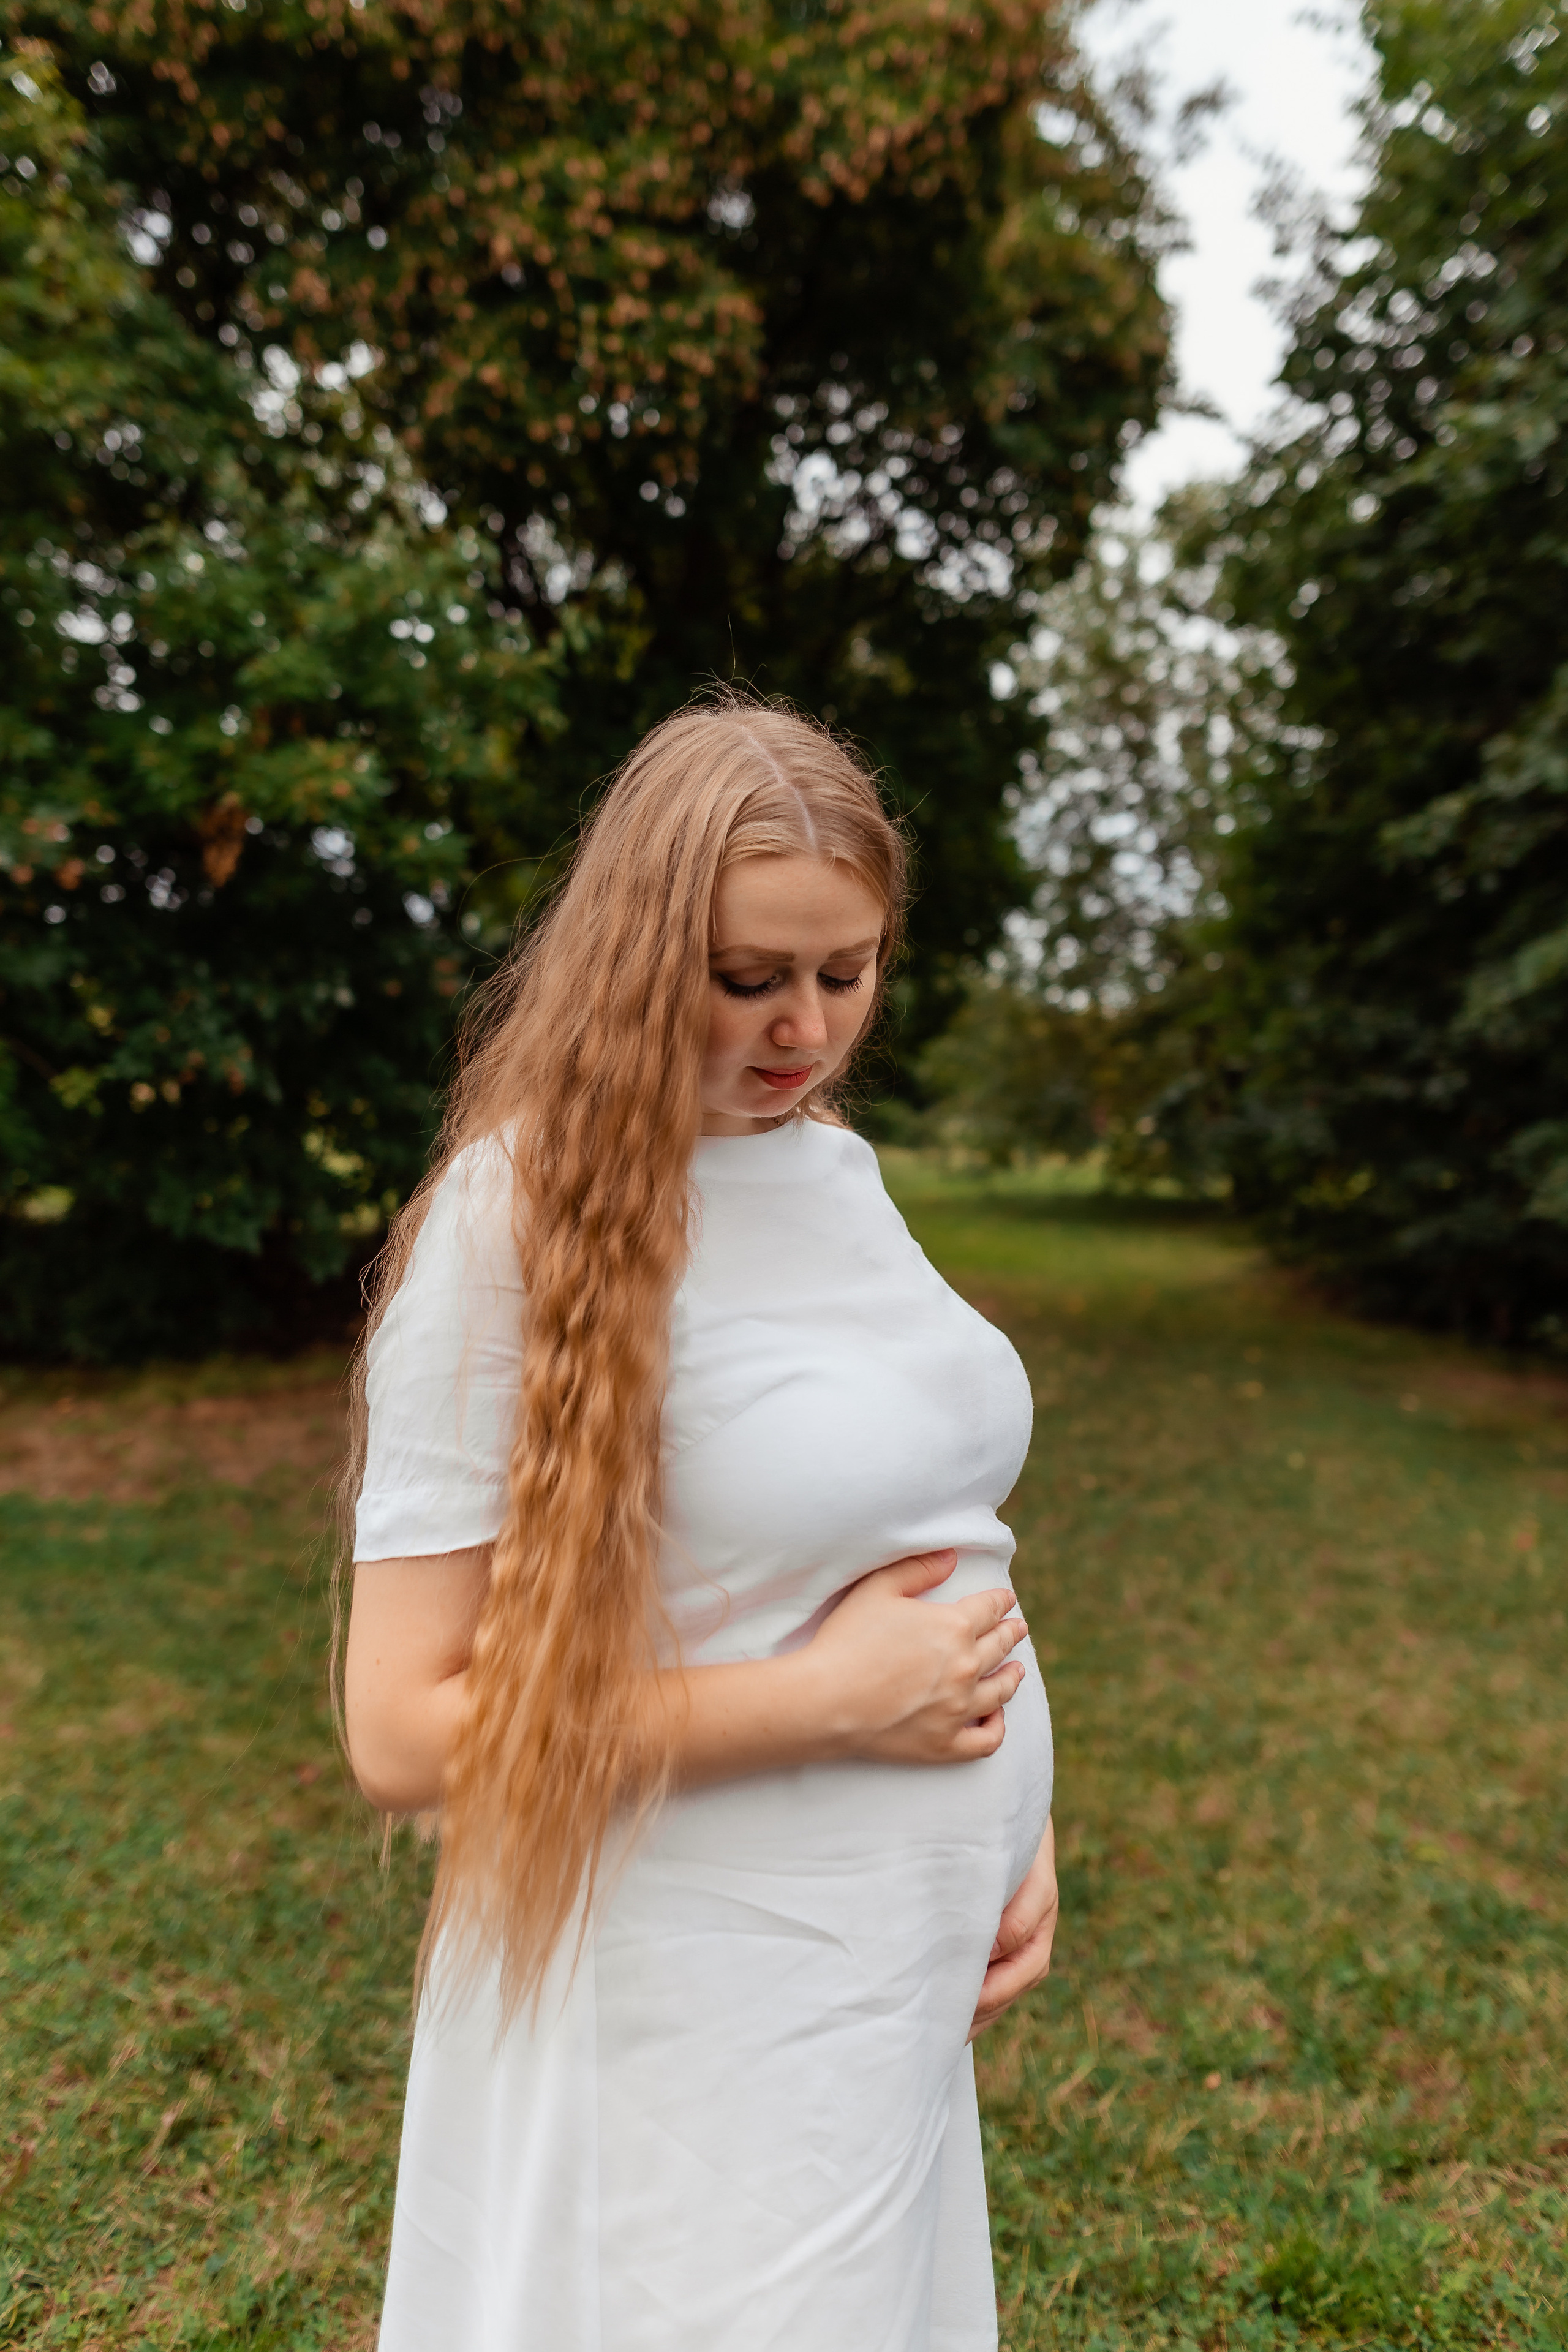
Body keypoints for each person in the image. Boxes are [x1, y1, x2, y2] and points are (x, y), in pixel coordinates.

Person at [342, 695, 1058, 2352]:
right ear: (636, 950)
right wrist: (837, 1701)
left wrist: (1022, 1833)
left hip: (884, 1966)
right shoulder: (507, 1222)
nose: (802, 1027)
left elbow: (930, 1522)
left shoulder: (837, 1172)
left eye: (846, 970)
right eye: (747, 979)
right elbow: (400, 1732)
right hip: (695, 1975)